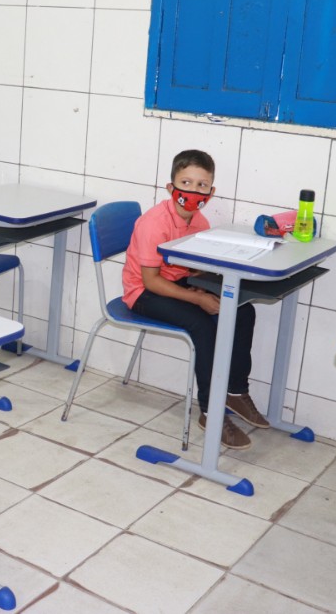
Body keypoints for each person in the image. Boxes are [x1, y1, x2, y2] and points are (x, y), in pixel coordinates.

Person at [121, 149, 268, 450]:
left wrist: (202, 287)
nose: (192, 191)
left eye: (202, 186)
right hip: (143, 293)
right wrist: (196, 298)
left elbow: (194, 267)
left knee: (243, 312)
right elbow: (150, 281)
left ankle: (236, 393)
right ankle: (210, 412)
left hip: (177, 284)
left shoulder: (199, 222)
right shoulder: (154, 222)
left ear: (211, 192)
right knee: (203, 325)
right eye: (186, 182)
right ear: (170, 186)